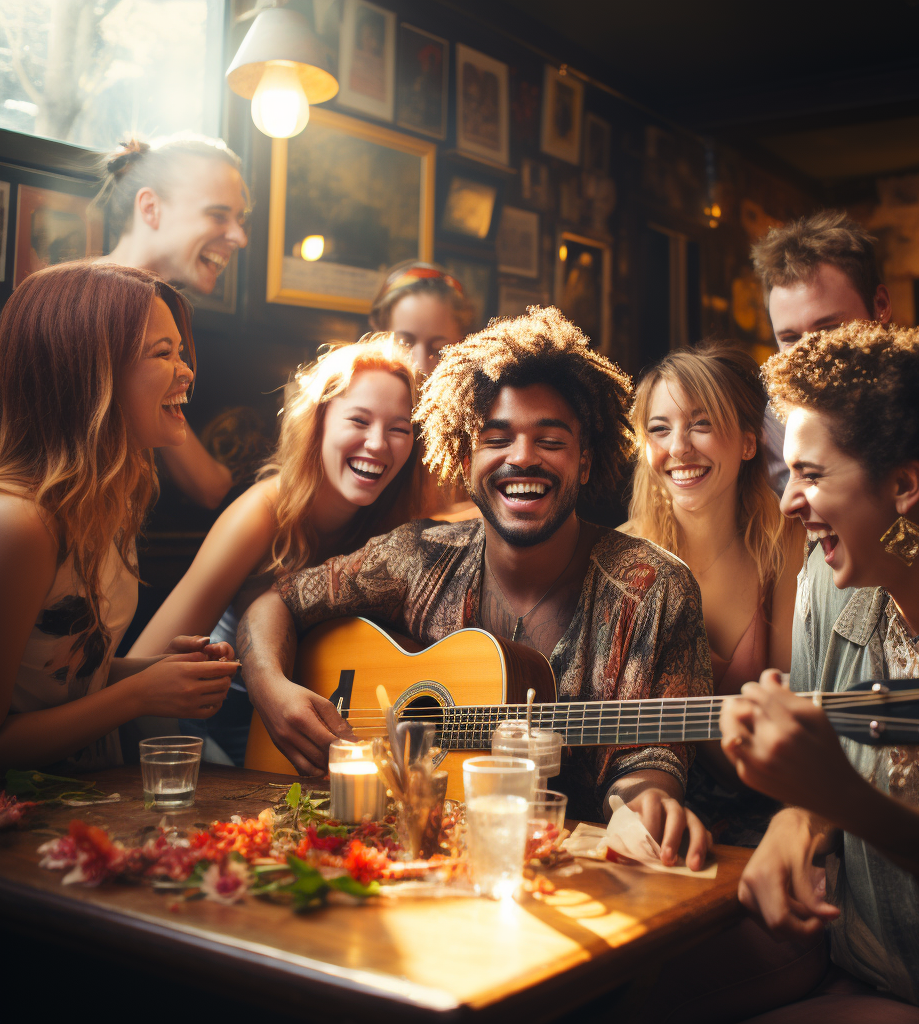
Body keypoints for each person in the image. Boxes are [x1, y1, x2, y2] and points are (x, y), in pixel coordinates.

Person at [236, 306, 714, 868]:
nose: (522, 458)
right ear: (466, 459)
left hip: (562, 879)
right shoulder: (416, 556)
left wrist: (650, 803)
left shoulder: (654, 588)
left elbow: (651, 755)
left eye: (551, 441)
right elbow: (277, 602)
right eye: (497, 437)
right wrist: (271, 687)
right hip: (408, 861)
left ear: (586, 462)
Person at [719, 322, 919, 1021]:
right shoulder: (829, 587)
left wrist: (843, 803)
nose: (789, 503)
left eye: (812, 474)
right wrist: (798, 816)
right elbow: (820, 783)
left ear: (904, 485)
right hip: (871, 982)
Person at [129, 335, 419, 766]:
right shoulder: (262, 512)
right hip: (215, 729)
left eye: (399, 428)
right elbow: (145, 665)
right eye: (359, 421)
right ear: (318, 423)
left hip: (319, 734)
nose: (378, 444)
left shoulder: (400, 522)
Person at [0, 262, 237, 772]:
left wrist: (154, 674)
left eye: (181, 352)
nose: (187, 371)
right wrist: (139, 696)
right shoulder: (19, 524)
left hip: (93, 804)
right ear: (90, 374)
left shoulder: (109, 500)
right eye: (163, 354)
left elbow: (58, 679)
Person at [621, 345, 803, 845]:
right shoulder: (620, 556)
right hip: (651, 818)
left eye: (700, 424)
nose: (678, 448)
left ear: (748, 442)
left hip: (770, 812)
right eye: (659, 429)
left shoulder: (786, 542)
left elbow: (791, 708)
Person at [750, 210, 919, 539]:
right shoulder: (775, 423)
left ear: (880, 305)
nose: (810, 354)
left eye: (828, 330)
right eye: (791, 339)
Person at [94, 134, 251, 510]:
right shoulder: (86, 308)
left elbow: (208, 485)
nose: (240, 237)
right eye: (217, 215)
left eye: (240, 220)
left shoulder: (162, 307)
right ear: (150, 207)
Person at [368, 260, 479, 521]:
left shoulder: (474, 428)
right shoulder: (350, 417)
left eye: (438, 350)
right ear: (379, 336)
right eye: (405, 343)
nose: (418, 364)